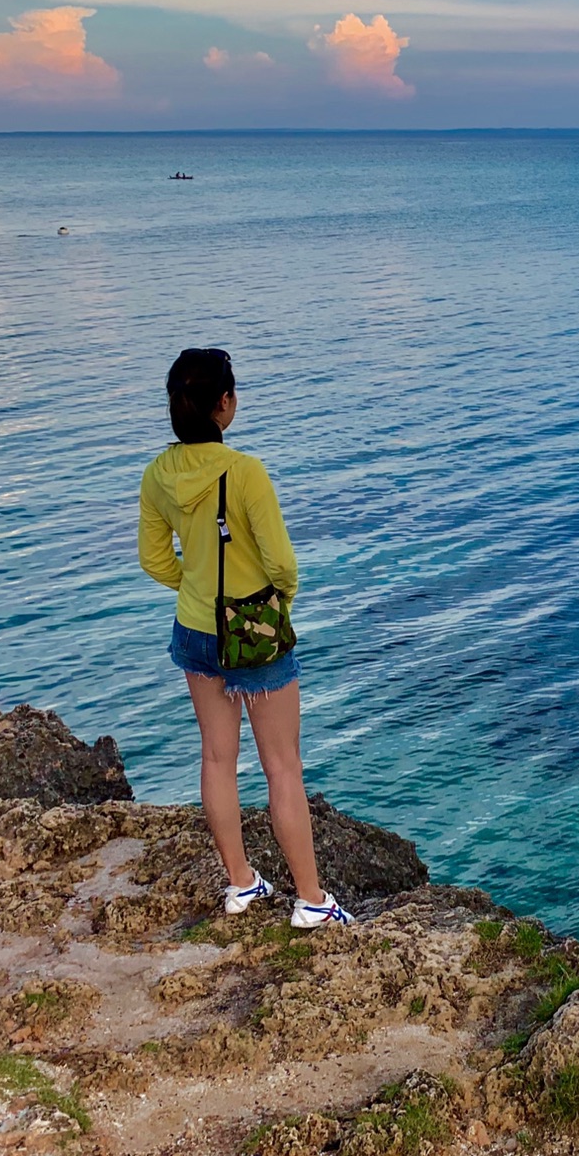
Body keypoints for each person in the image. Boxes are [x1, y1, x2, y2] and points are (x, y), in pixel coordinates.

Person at [137, 348, 351, 928]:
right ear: (224, 404)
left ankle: (240, 884)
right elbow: (282, 562)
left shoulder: (158, 474)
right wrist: (281, 600)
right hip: (253, 630)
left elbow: (153, 559)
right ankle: (311, 902)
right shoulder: (246, 470)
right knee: (282, 766)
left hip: (194, 629)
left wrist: (196, 589)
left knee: (216, 757)